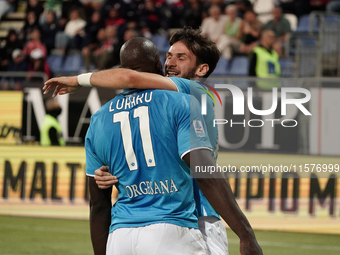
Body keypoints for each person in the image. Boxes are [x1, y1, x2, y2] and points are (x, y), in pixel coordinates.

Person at [43, 28, 262, 255]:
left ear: (202, 69)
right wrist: (111, 171)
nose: (170, 63)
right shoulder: (165, 102)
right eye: (168, 56)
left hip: (198, 215)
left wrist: (79, 79)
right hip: (174, 218)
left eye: (181, 57)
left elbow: (129, 76)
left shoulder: (196, 92)